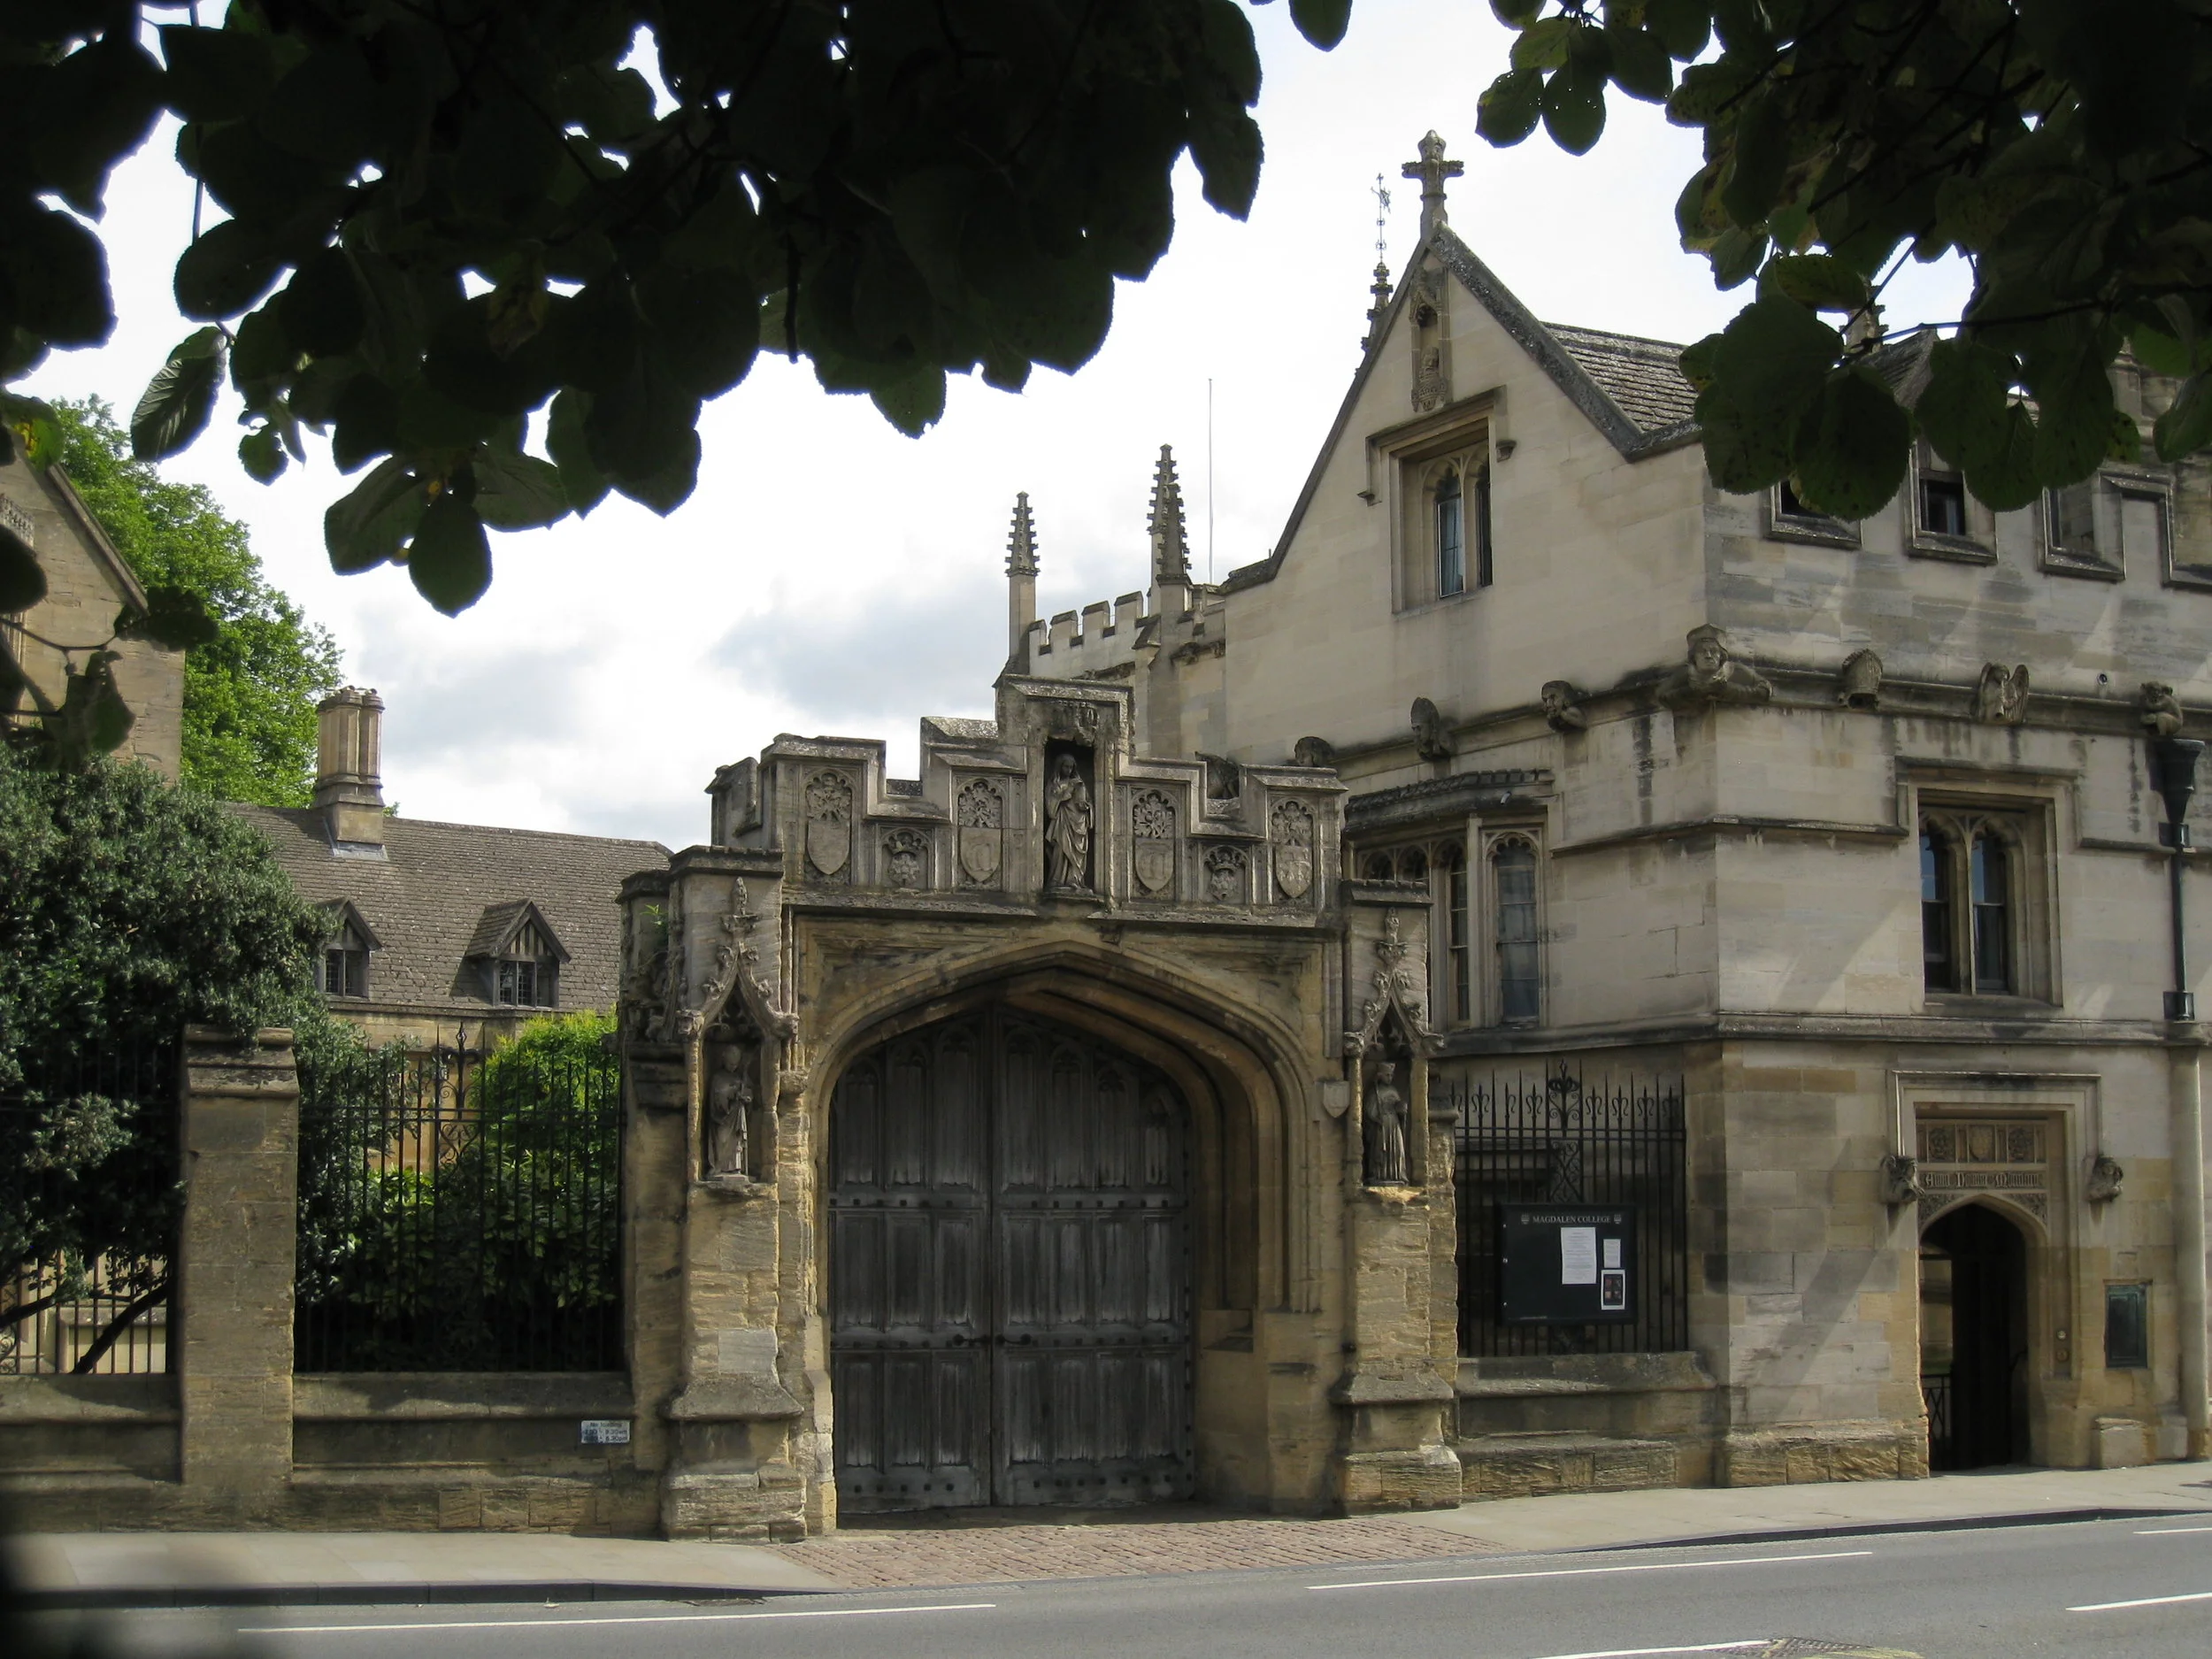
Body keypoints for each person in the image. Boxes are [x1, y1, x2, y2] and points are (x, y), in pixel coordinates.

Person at [1045, 754, 1093, 889]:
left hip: (1079, 823)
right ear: (1060, 767)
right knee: (1060, 849)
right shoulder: (1055, 784)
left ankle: (1075, 879)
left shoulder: (1080, 784)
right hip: (1063, 822)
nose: (1069, 770)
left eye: (1071, 767)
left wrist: (1087, 808)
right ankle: (1057, 879)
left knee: (1078, 853)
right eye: (1066, 767)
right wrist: (1067, 793)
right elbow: (1051, 808)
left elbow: (1087, 802)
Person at [707, 1043, 752, 1176]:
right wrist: (732, 1092)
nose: (733, 1067)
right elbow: (718, 1096)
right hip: (723, 1118)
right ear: (724, 1060)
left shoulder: (739, 1077)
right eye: (731, 1063)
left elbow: (748, 1091)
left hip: (737, 1114)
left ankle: (737, 1168)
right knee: (722, 1140)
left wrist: (746, 1097)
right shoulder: (718, 1077)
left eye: (736, 1064)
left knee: (736, 1141)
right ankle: (719, 1167)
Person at [1364, 1060, 1409, 1187]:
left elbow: (1399, 1108)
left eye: (1391, 1075)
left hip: (1394, 1124)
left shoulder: (1394, 1091)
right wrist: (1376, 1117)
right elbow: (1369, 1111)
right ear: (1380, 1075)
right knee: (1381, 1151)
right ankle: (1379, 1175)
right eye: (1387, 1075)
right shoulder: (1375, 1093)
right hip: (1382, 1125)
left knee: (1397, 1149)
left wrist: (1401, 1109)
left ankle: (1397, 1174)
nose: (1389, 1078)